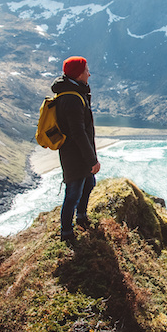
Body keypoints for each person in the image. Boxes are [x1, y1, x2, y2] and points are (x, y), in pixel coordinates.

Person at [51, 56, 100, 242]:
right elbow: (78, 133)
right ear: (79, 74)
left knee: (89, 184)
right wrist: (92, 160)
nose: (89, 73)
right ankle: (66, 232)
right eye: (86, 70)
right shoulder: (72, 99)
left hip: (78, 153)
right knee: (73, 193)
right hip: (75, 155)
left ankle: (81, 217)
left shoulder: (74, 92)